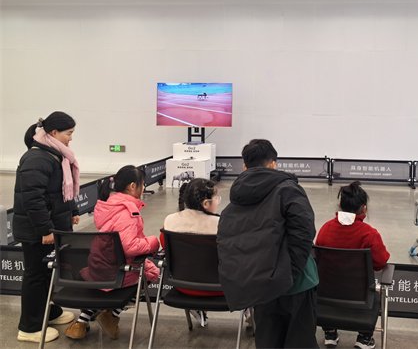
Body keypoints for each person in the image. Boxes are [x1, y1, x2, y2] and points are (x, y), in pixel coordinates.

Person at [217, 139, 319, 348]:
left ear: (244, 166)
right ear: (273, 164)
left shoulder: (237, 198)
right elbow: (305, 233)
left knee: (267, 341)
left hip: (260, 285)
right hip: (296, 284)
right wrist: (288, 272)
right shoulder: (288, 190)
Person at [65, 165, 160, 340]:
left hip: (97, 268)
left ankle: (80, 323)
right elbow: (129, 247)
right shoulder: (128, 212)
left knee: (103, 288)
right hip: (117, 272)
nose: (144, 188)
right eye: (142, 184)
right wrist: (153, 242)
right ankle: (112, 315)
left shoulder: (107, 206)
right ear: (132, 186)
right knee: (148, 274)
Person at [13, 112, 80, 343]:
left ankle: (49, 313)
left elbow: (61, 190)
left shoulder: (54, 154)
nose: (71, 138)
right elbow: (33, 200)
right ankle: (29, 327)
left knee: (48, 273)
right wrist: (45, 230)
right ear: (53, 132)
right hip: (37, 231)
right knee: (36, 275)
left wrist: (72, 211)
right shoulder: (36, 158)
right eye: (68, 133)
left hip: (51, 225)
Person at [315, 181, 390, 349]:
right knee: (377, 292)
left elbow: (318, 258)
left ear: (341, 206)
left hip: (325, 295)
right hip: (360, 297)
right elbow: (380, 262)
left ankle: (330, 333)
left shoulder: (326, 228)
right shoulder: (369, 234)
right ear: (364, 208)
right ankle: (364, 338)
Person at [161, 178, 223, 326]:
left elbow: (164, 245)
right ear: (206, 203)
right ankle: (249, 314)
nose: (218, 202)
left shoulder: (170, 221)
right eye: (216, 198)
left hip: (183, 286)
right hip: (220, 288)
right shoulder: (221, 225)